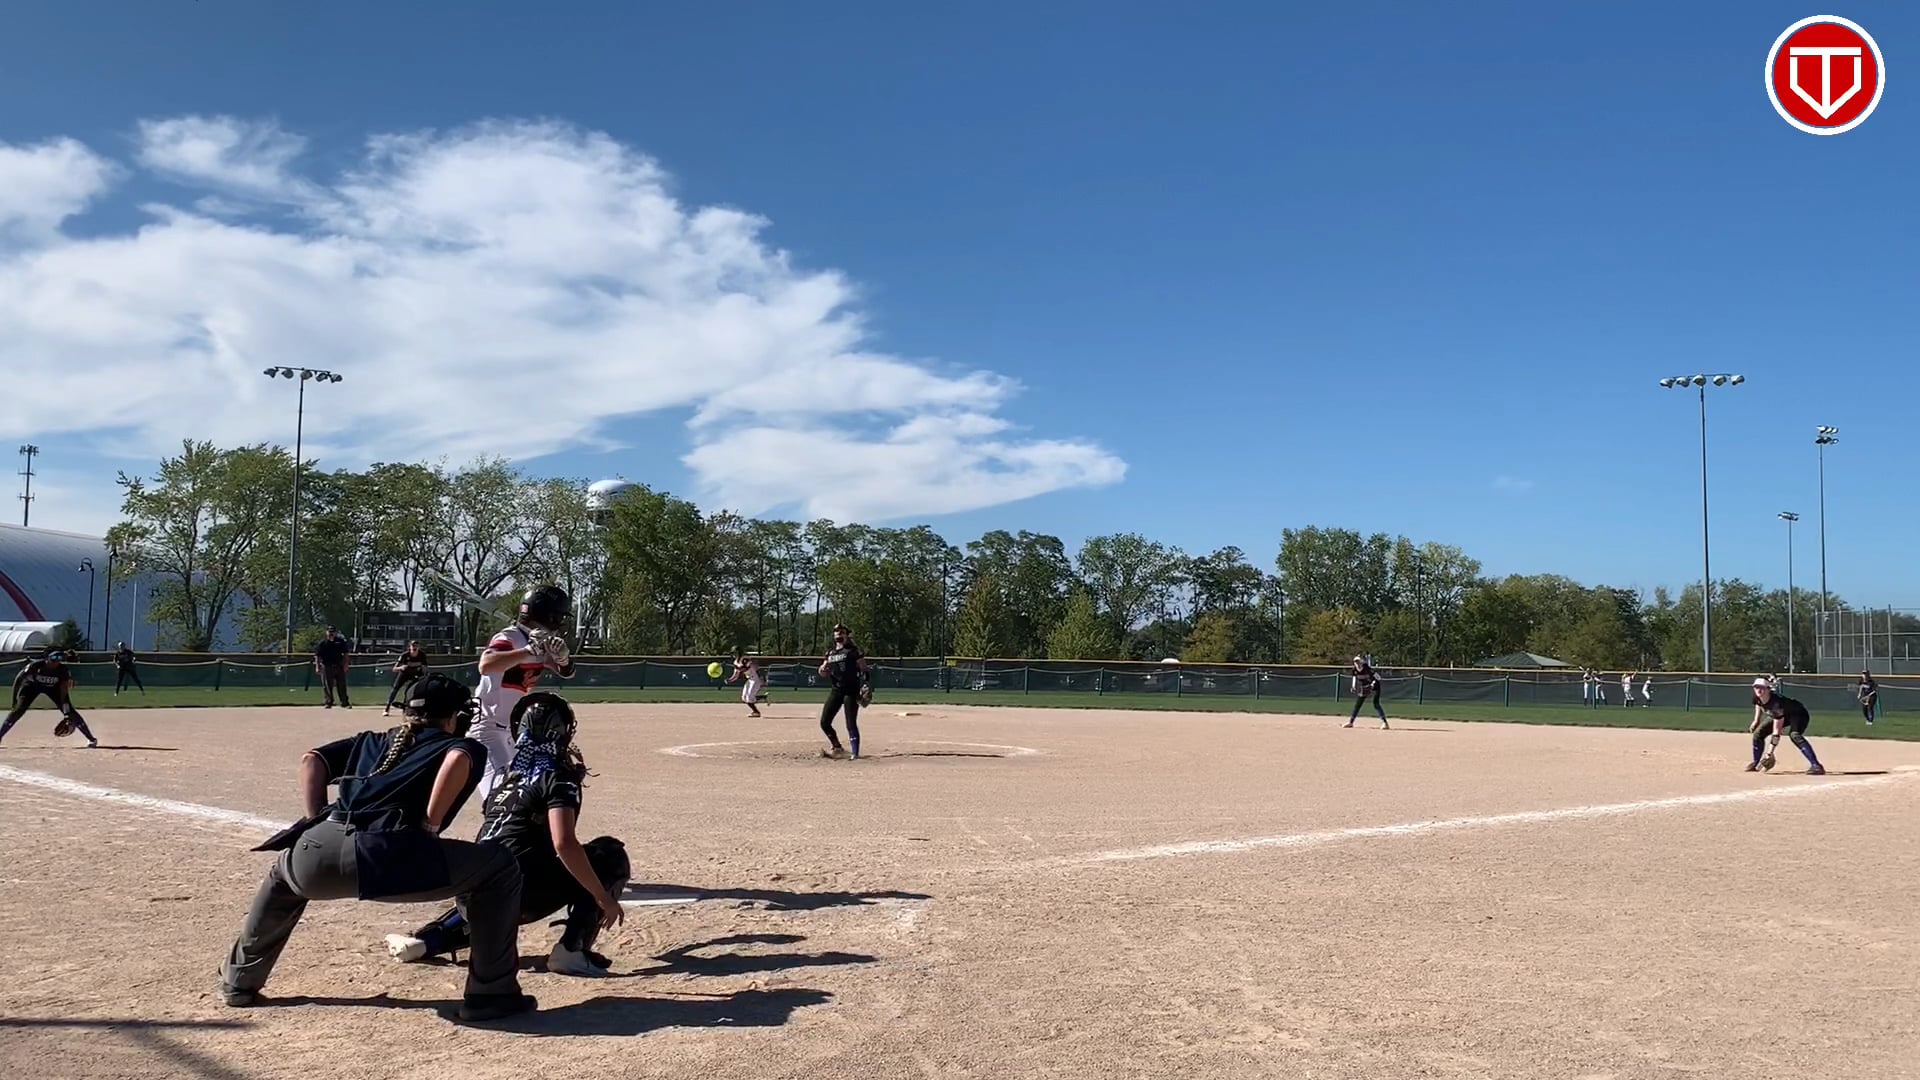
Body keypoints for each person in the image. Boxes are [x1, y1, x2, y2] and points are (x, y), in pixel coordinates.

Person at [218, 673, 534, 1022]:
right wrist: (430, 825)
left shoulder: (371, 741)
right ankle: (492, 993)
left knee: (283, 880)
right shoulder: (460, 744)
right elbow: (457, 759)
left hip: (319, 849)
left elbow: (312, 760)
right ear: (455, 716)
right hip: (389, 857)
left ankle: (239, 982)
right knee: (499, 866)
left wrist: (316, 819)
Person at [383, 692, 628, 977]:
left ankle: (426, 941)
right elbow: (564, 843)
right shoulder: (556, 776)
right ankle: (572, 950)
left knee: (490, 885)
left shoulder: (503, 777)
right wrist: (602, 897)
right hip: (521, 897)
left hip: (471, 895)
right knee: (608, 854)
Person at [474, 585, 576, 799]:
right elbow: (486, 664)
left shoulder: (539, 641)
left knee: (525, 790)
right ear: (549, 615)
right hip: (486, 728)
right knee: (500, 795)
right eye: (558, 616)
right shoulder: (509, 637)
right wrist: (527, 651)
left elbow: (566, 672)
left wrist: (562, 658)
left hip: (513, 731)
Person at [0, 650, 98, 748]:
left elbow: (64, 693)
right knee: (18, 711)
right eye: (53, 659)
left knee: (71, 713)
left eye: (59, 659)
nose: (56, 662)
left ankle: (91, 739)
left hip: (53, 688)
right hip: (31, 687)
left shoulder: (63, 670)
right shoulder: (35, 666)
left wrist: (66, 713)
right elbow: (19, 679)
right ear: (47, 658)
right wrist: (15, 699)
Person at [1747, 676, 1825, 776]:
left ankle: (1816, 765)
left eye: (1762, 687)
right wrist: (1756, 720)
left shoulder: (1776, 705)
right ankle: (1756, 763)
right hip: (1781, 714)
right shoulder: (1757, 697)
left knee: (1795, 735)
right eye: (1756, 687)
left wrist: (1769, 753)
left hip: (1798, 713)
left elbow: (1776, 732)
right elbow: (1758, 704)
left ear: (1768, 689)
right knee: (1758, 733)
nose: (1758, 690)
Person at [817, 624, 870, 759]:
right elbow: (823, 670)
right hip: (836, 690)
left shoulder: (853, 651)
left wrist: (866, 685)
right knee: (824, 722)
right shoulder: (830, 653)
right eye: (836, 632)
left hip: (851, 691)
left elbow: (864, 668)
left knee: (850, 723)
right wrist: (822, 670)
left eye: (842, 632)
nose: (839, 634)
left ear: (847, 635)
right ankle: (837, 747)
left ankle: (855, 753)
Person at [385, 640, 429, 717]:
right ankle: (387, 708)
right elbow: (394, 669)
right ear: (410, 647)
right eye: (413, 646)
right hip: (404, 674)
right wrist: (401, 667)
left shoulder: (422, 655)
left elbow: (425, 667)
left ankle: (417, 709)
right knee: (395, 689)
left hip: (416, 674)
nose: (414, 647)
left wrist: (425, 675)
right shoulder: (405, 655)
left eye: (416, 646)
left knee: (419, 690)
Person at [312, 626, 353, 709]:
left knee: (341, 685)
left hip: (339, 666)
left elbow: (346, 654)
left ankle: (344, 702)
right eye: (329, 631)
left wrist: (346, 665)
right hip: (327, 666)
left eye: (333, 632)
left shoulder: (340, 642)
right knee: (327, 685)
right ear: (326, 632)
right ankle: (328, 702)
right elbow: (317, 656)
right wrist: (317, 667)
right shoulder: (323, 643)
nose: (331, 633)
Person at [1344, 655, 1388, 729]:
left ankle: (1385, 723)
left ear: (1361, 662)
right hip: (1364, 687)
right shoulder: (1354, 670)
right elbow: (1354, 677)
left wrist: (1372, 684)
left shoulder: (1367, 669)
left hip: (1375, 686)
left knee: (1376, 704)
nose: (1357, 664)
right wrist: (1353, 686)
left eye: (1358, 662)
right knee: (1358, 705)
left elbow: (1378, 678)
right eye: (1355, 662)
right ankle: (1351, 722)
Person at [726, 652, 766, 718]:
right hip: (750, 680)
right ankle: (763, 697)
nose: (733, 655)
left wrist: (762, 679)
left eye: (734, 653)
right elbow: (736, 675)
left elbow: (756, 668)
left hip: (755, 679)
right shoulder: (736, 662)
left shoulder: (745, 660)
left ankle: (756, 712)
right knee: (744, 697)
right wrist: (730, 680)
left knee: (749, 698)